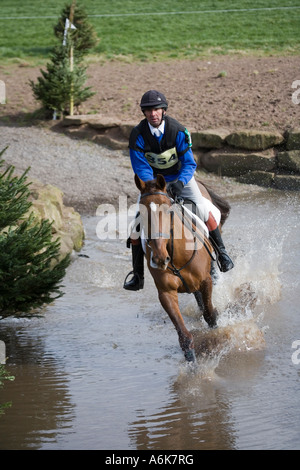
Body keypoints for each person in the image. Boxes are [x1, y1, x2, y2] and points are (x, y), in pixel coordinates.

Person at [123, 90, 234, 291]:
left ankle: (223, 254)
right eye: (148, 111)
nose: (153, 114)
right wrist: (155, 188)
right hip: (153, 184)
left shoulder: (178, 131)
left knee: (202, 209)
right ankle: (137, 276)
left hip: (180, 179)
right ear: (144, 113)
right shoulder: (137, 135)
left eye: (156, 109)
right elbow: (140, 167)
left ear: (163, 110)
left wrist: (181, 183)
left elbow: (189, 163)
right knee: (137, 225)